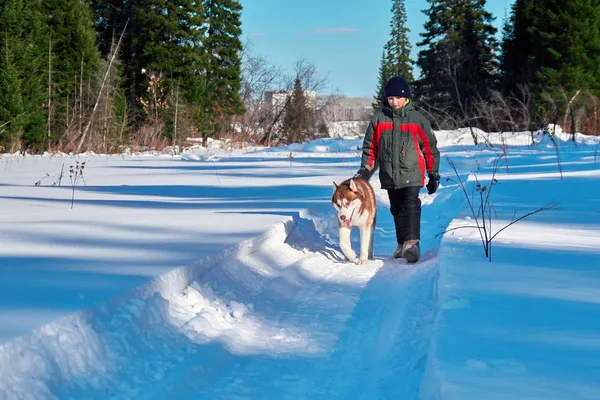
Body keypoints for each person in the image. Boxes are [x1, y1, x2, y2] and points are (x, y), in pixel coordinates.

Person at [354, 76, 440, 263]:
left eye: (398, 98)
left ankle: (412, 243)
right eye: (391, 98)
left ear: (406, 98)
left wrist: (433, 174)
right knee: (396, 208)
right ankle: (402, 244)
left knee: (411, 203)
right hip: (389, 174)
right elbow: (370, 148)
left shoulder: (417, 119)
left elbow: (430, 148)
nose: (394, 102)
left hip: (412, 171)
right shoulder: (379, 119)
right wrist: (364, 172)